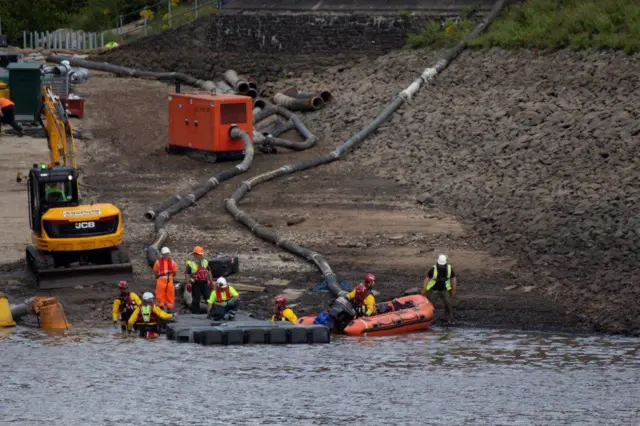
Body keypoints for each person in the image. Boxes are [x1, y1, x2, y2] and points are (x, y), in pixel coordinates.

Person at [421, 254, 457, 320]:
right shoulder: (433, 269)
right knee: (431, 302)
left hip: (444, 288)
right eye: (440, 264)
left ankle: (449, 315)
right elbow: (427, 279)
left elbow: (453, 278)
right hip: (434, 289)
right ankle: (429, 316)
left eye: (442, 265)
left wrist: (454, 289)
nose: (441, 266)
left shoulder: (449, 268)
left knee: (447, 302)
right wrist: (424, 288)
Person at [185, 246, 213, 313]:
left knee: (208, 297)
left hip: (204, 282)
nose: (201, 256)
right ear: (195, 254)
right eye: (199, 254)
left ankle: (212, 311)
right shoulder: (190, 263)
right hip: (196, 283)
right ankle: (196, 312)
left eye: (201, 254)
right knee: (196, 299)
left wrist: (211, 281)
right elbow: (187, 274)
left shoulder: (205, 262)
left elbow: (209, 271)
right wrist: (188, 284)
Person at [153, 246, 178, 311]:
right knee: (160, 296)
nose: (166, 255)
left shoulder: (172, 262)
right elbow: (155, 271)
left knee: (170, 296)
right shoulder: (158, 262)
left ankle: (169, 310)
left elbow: (175, 272)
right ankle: (160, 310)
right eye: (165, 254)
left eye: (167, 254)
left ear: (169, 254)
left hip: (169, 282)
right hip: (161, 283)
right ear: (162, 254)